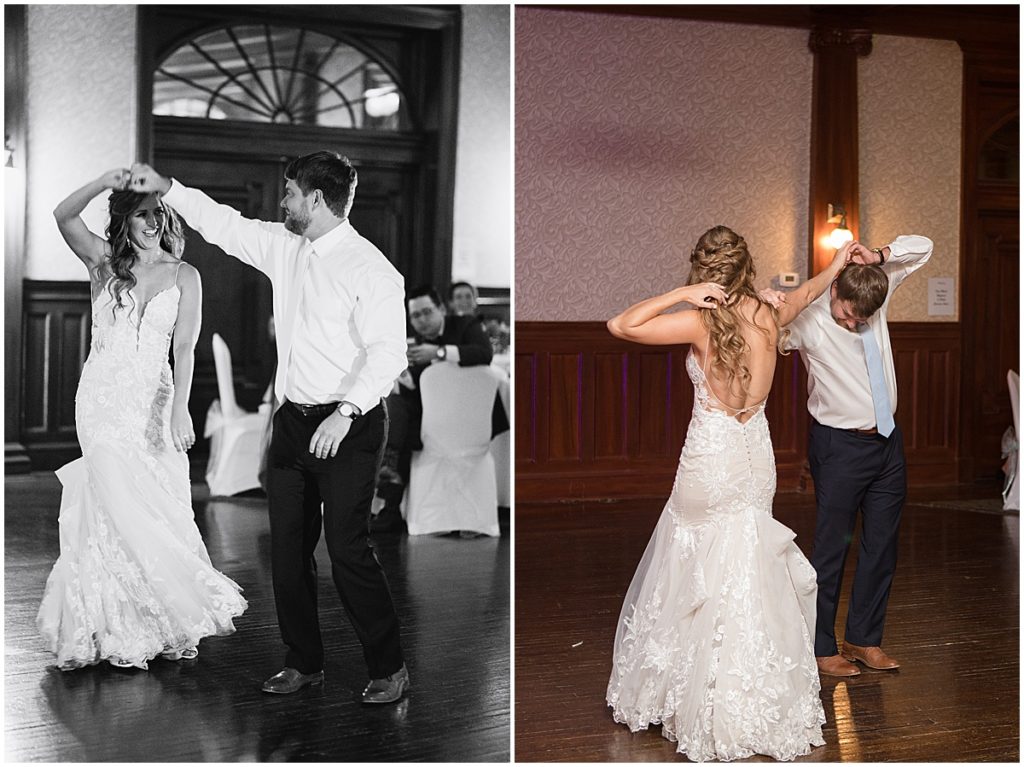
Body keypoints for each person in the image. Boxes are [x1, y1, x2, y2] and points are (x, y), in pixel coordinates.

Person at [127, 152, 411, 703]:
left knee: (348, 550)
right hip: (292, 425)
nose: (281, 203)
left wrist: (345, 412)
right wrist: (168, 187)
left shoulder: (372, 269)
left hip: (348, 427)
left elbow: (388, 355)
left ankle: (389, 666)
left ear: (316, 201)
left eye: (289, 193)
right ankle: (304, 663)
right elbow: (225, 225)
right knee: (286, 552)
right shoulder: (286, 246)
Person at [604, 225, 853, 761]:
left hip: (710, 455)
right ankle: (749, 690)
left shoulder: (699, 318)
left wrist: (680, 295)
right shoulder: (768, 313)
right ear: (746, 267)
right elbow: (809, 292)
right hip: (754, 453)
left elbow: (620, 325)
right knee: (748, 563)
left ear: (702, 270)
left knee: (692, 558)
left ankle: (697, 693)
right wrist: (837, 266)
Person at [37, 169, 247, 671]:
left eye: (158, 212)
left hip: (154, 402)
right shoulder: (104, 265)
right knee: (113, 500)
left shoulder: (185, 275)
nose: (153, 221)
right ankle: (105, 622)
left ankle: (151, 621)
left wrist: (180, 409)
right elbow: (63, 215)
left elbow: (185, 348)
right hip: (103, 401)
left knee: (159, 501)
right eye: (141, 213)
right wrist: (105, 179)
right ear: (124, 220)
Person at [778, 235, 932, 678]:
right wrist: (777, 301)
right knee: (830, 549)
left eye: (860, 319)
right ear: (835, 290)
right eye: (846, 314)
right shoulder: (810, 320)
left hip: (888, 442)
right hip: (839, 446)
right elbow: (770, 328)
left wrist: (879, 255)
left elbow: (923, 247)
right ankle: (821, 646)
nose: (851, 324)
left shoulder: (871, 288)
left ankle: (864, 640)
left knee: (882, 544)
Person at [374, 285, 497, 533]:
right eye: (415, 316)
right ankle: (389, 495)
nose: (421, 320)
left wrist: (439, 352)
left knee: (398, 421)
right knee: (393, 409)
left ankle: (390, 501)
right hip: (430, 417)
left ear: (441, 308)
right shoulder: (413, 343)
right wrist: (404, 376)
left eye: (427, 312)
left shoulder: (465, 325)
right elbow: (420, 391)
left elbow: (485, 354)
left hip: (471, 416)